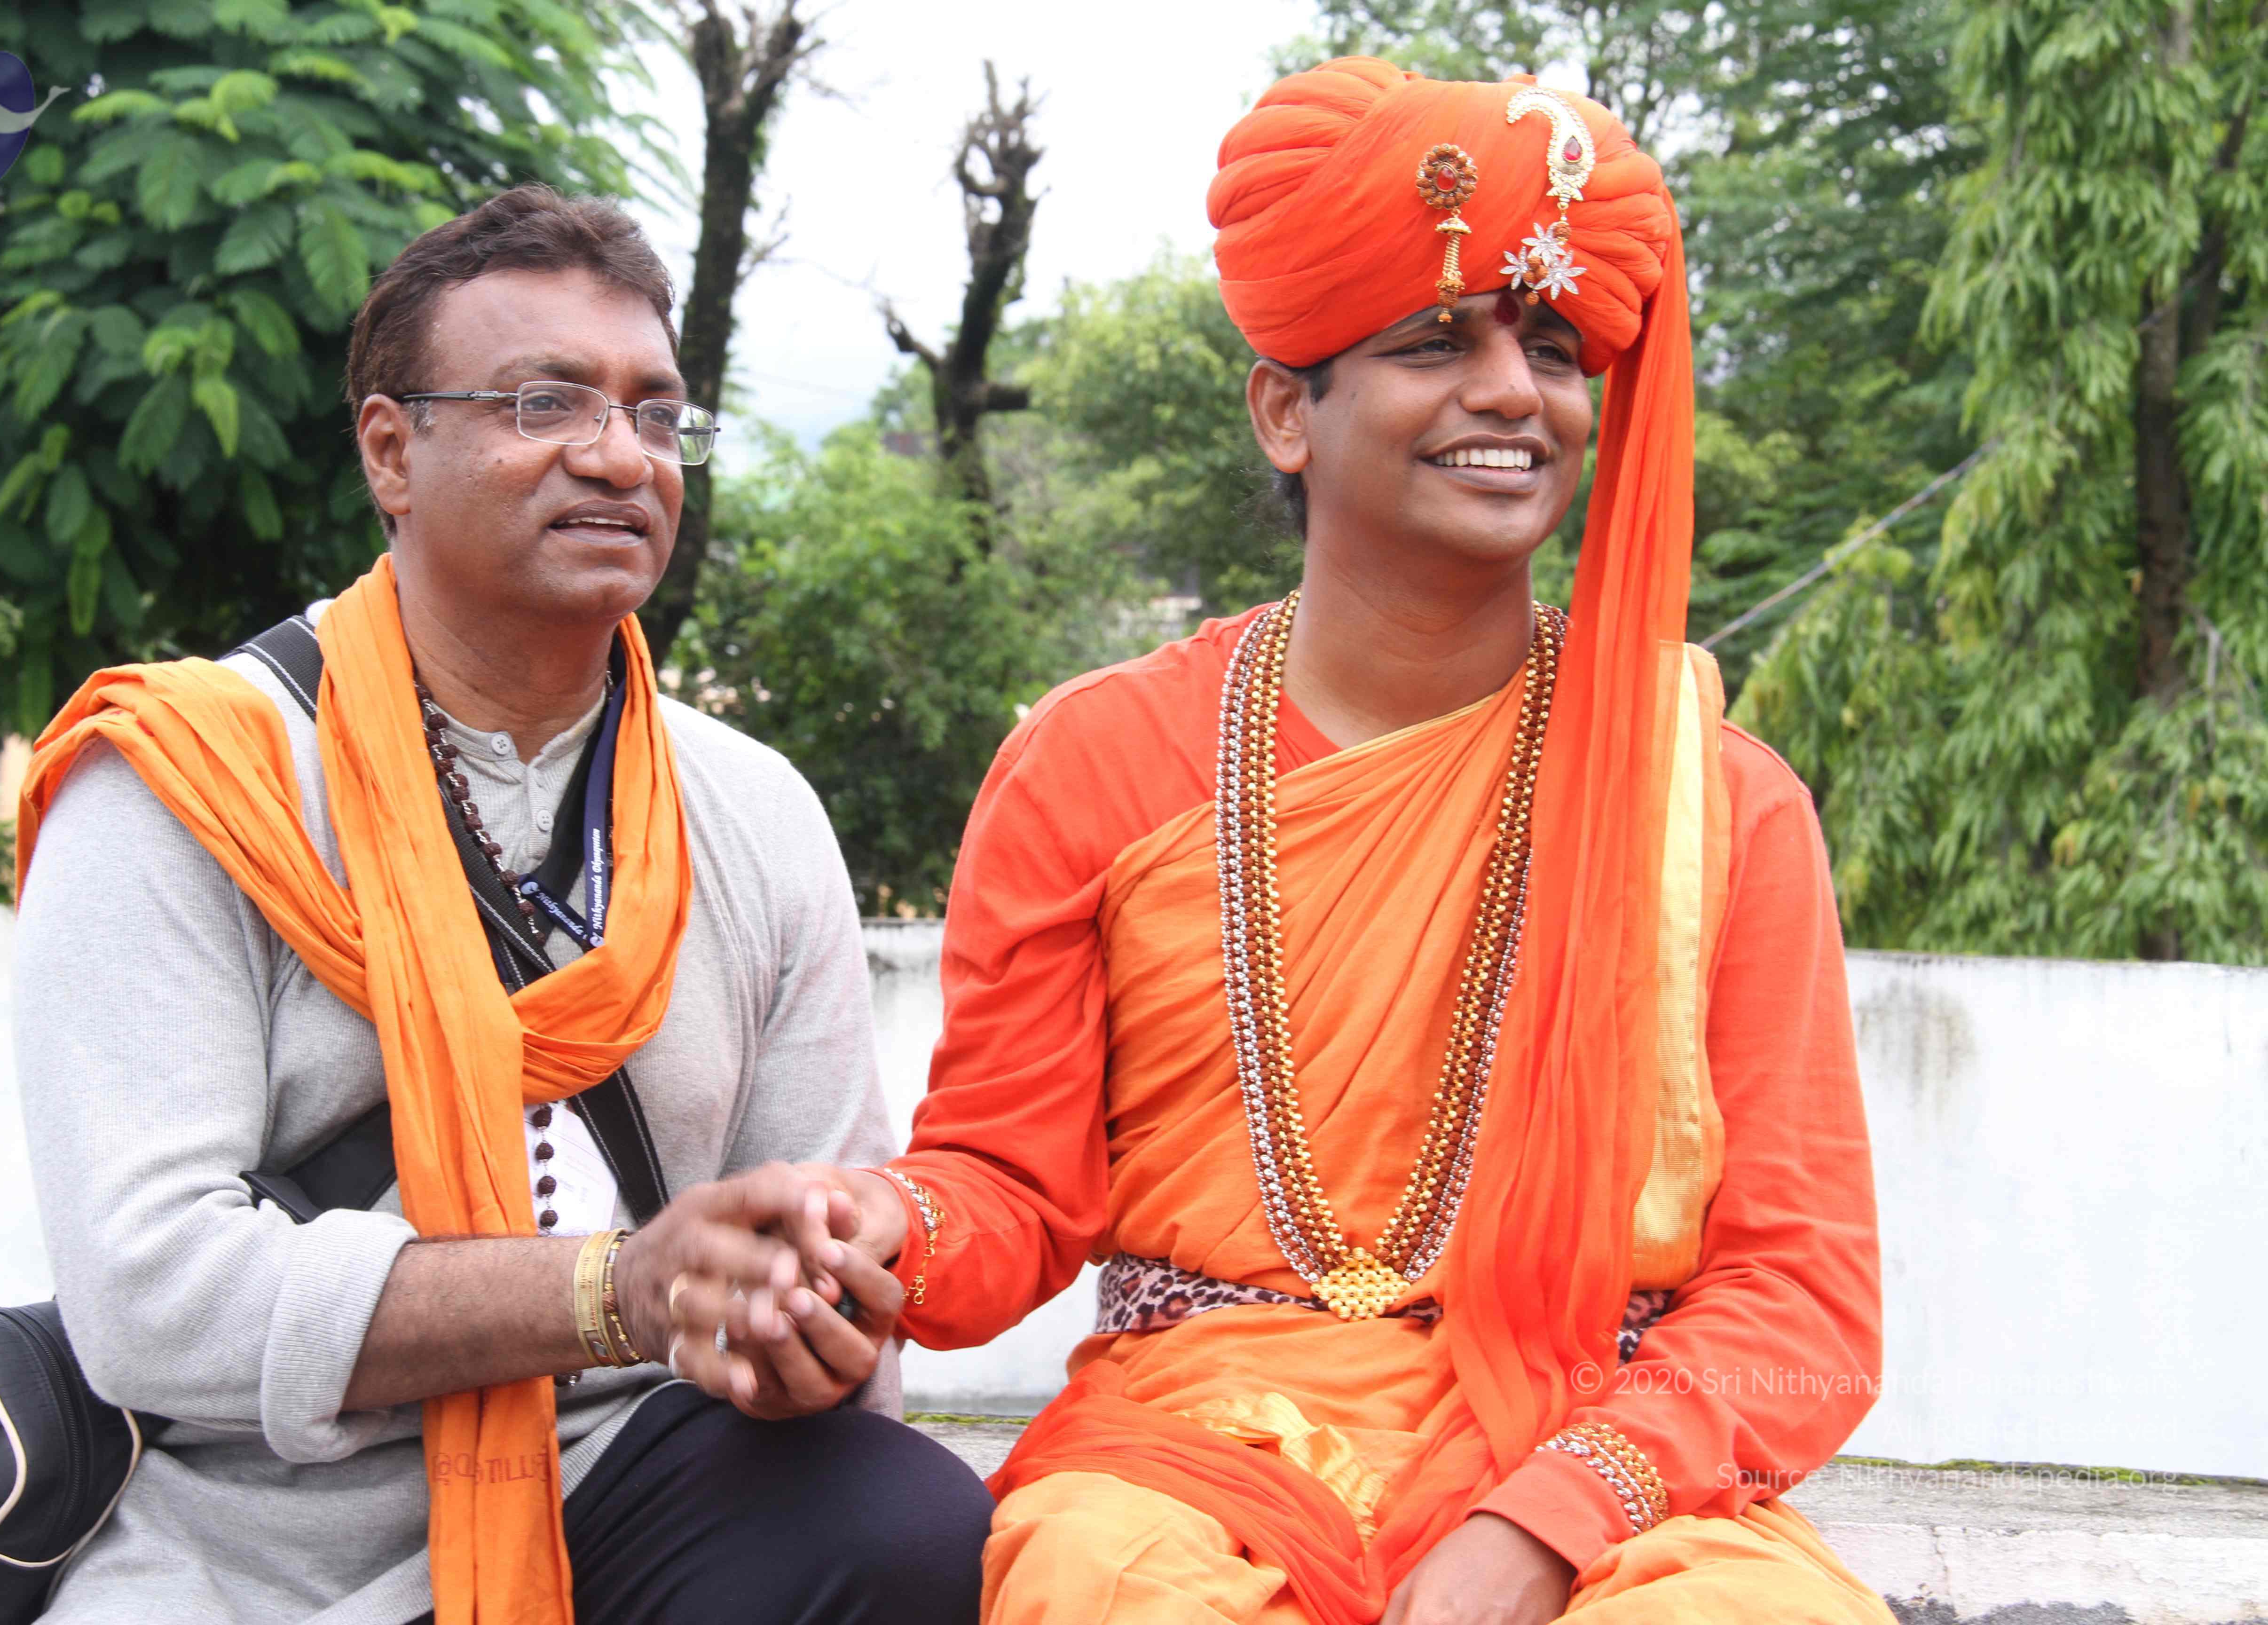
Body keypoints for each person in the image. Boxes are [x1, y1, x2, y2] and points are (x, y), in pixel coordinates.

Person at [725, 58, 1898, 1625]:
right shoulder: (1096, 759)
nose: (1515, 391)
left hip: (1602, 1452)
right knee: (1097, 1582)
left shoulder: (1720, 799)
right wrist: (891, 1226)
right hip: (1193, 1448)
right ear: (1287, 411)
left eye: (1553, 347)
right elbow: (1009, 1188)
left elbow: (1799, 1293)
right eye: (1437, 340)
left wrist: (1549, 1521)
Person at [10, 184, 992, 1625]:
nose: (620, 456)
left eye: (658, 415)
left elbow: (821, 1230)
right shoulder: (184, 781)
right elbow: (149, 1298)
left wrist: (805, 1323)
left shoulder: (754, 810)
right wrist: (610, 1291)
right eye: (546, 403)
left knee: (903, 1521)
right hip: (255, 1542)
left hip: (623, 1475)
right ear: (391, 451)